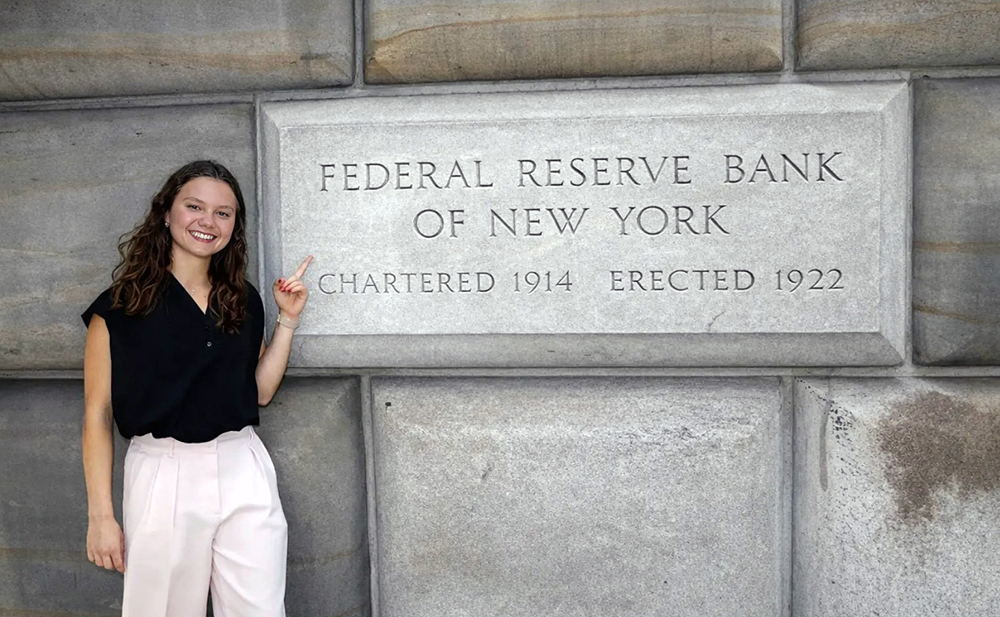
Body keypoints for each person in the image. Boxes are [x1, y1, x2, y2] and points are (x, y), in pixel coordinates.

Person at [80, 160, 313, 616]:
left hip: (243, 464)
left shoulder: (242, 298)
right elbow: (95, 414)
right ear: (167, 212)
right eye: (195, 206)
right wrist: (101, 516)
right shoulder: (119, 308)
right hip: (165, 472)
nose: (208, 221)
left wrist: (288, 318)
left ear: (234, 226)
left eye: (223, 213)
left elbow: (259, 392)